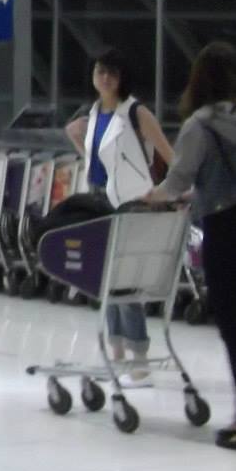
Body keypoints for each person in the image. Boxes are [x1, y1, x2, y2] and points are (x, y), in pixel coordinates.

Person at [144, 40, 236, 454]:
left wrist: (152, 196)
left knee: (235, 328)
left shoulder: (199, 125)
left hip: (226, 229)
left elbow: (178, 180)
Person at [63, 47, 172, 368]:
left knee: (124, 279)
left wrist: (167, 192)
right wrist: (77, 140)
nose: (106, 78)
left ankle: (137, 353)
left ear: (123, 78)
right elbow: (99, 160)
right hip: (100, 197)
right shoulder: (94, 113)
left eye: (112, 73)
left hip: (131, 201)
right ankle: (117, 350)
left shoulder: (136, 113)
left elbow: (169, 155)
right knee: (106, 277)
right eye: (100, 71)